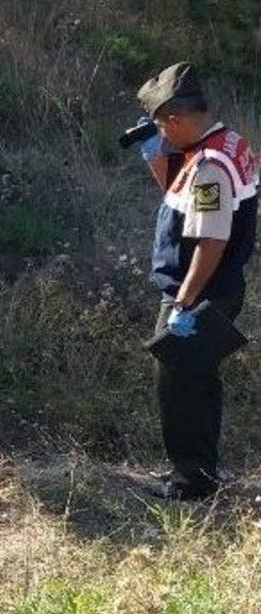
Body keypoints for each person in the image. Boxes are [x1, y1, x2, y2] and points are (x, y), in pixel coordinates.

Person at [136, 62, 258, 500]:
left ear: (176, 119)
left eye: (161, 128)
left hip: (201, 291)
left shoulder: (210, 167)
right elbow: (181, 194)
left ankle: (191, 480)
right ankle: (198, 470)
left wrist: (184, 304)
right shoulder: (226, 143)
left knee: (179, 382)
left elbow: (211, 240)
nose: (162, 136)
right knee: (197, 379)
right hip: (216, 287)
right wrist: (155, 157)